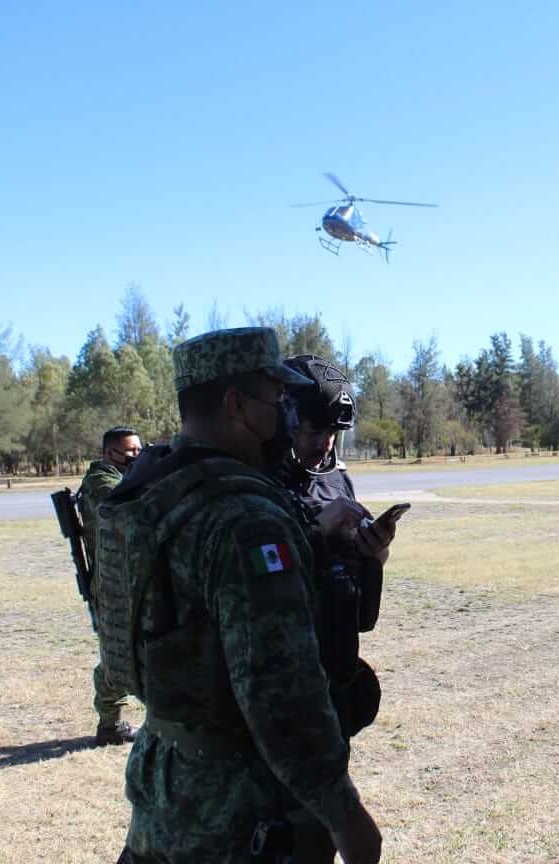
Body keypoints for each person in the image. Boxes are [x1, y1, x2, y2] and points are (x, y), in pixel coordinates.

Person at [112, 328, 382, 864]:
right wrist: (343, 815)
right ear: (236, 404)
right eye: (273, 397)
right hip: (238, 805)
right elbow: (281, 692)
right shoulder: (245, 518)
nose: (283, 412)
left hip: (163, 771)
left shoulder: (156, 489)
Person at [276, 355, 395, 757]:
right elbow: (253, 574)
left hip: (334, 660)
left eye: (332, 431)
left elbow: (359, 565)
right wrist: (316, 529)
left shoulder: (335, 476)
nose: (325, 441)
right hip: (281, 675)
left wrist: (375, 550)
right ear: (285, 419)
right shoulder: (254, 482)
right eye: (314, 428)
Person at [77, 425, 143, 746]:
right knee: (118, 655)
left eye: (139, 450)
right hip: (111, 585)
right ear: (109, 453)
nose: (137, 456)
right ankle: (109, 723)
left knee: (127, 651)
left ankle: (111, 723)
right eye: (131, 451)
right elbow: (126, 505)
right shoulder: (100, 482)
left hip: (125, 579)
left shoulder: (121, 477)